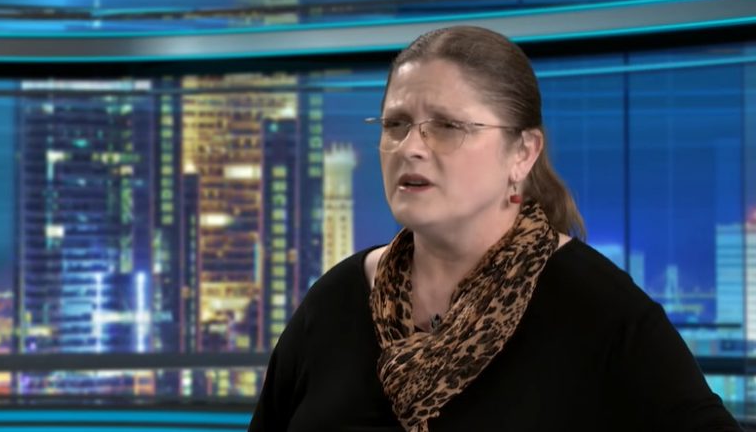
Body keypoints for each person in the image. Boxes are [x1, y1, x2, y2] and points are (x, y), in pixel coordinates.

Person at [249, 26, 742, 431]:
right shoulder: (334, 302)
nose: (410, 147)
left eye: (446, 126)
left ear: (522, 153)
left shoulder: (601, 311)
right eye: (395, 124)